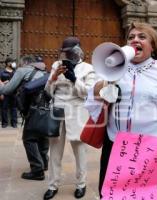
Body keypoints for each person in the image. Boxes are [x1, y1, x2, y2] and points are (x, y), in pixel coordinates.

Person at [85, 22, 157, 198]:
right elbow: (94, 96)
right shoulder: (114, 67)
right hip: (116, 144)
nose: (135, 40)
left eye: (142, 37)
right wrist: (107, 77)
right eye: (131, 37)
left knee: (142, 194)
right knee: (111, 194)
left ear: (153, 46)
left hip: (148, 148)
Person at [43, 37, 95, 200]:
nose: (67, 55)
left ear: (78, 51)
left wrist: (73, 78)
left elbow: (87, 93)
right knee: (55, 151)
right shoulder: (56, 65)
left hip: (77, 112)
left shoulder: (88, 69)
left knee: (80, 151)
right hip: (57, 111)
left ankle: (81, 184)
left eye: (70, 52)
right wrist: (53, 78)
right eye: (64, 52)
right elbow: (48, 91)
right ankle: (53, 185)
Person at [0, 55, 49, 180]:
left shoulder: (22, 70)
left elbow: (7, 90)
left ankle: (37, 170)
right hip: (47, 109)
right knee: (42, 135)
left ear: (25, 63)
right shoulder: (44, 71)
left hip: (32, 110)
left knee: (29, 139)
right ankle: (44, 163)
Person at [0, 57, 18, 128]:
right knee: (4, 107)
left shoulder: (15, 72)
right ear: (7, 63)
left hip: (13, 92)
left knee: (14, 108)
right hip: (4, 92)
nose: (13, 63)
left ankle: (14, 123)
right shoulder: (2, 72)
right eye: (11, 62)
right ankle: (4, 123)